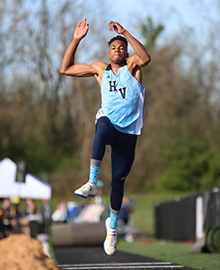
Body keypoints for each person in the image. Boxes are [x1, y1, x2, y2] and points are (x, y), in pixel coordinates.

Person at [60, 18, 151, 255]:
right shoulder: (100, 69)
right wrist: (76, 39)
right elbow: (65, 69)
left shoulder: (133, 66)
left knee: (118, 181)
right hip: (109, 124)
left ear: (126, 52)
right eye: (113, 47)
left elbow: (146, 58)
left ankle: (111, 225)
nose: (118, 50)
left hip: (128, 132)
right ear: (108, 52)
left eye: (122, 48)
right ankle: (91, 182)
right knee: (101, 125)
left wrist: (125, 32)